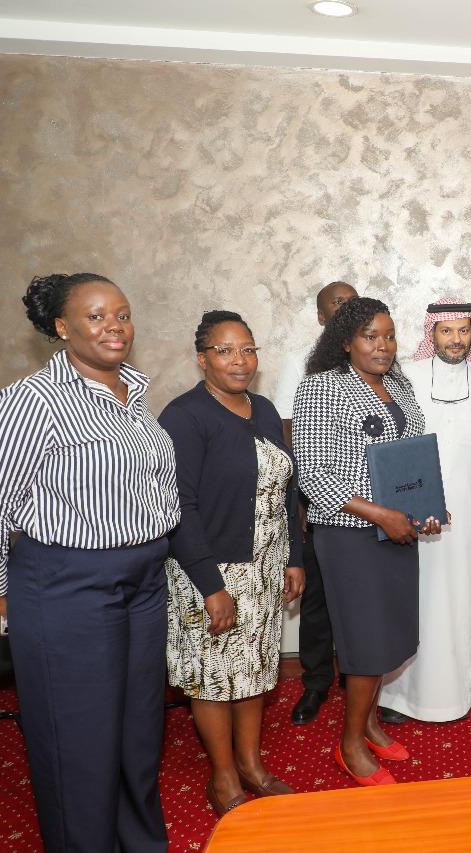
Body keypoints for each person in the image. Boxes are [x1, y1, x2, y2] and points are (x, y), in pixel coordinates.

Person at [0, 273, 179, 852]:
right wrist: (3, 593)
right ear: (61, 327)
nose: (114, 327)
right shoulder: (31, 402)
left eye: (122, 315)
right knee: (79, 744)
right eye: (96, 316)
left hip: (144, 582)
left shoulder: (134, 395)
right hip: (67, 586)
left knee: (137, 735)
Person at [160, 311, 306, 817]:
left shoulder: (263, 408)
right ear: (202, 359)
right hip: (210, 570)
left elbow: (286, 493)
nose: (239, 360)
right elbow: (180, 508)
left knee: (254, 670)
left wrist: (293, 557)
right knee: (214, 675)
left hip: (264, 568)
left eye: (247, 349)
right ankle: (222, 776)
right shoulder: (184, 416)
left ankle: (251, 764)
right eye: (224, 350)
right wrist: (210, 585)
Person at [291, 297, 441, 787]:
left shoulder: (398, 384)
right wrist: (382, 514)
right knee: (366, 640)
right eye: (370, 336)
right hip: (351, 537)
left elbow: (411, 460)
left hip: (397, 532)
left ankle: (370, 726)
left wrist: (424, 511)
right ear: (345, 342)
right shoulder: (321, 387)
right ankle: (349, 744)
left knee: (390, 634)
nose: (383, 346)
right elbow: (313, 476)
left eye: (389, 336)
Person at [379, 299, 471, 723]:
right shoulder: (405, 377)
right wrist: (400, 507)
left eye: (463, 331)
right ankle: (402, 696)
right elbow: (391, 446)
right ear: (432, 333)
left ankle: (457, 692)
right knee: (414, 597)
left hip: (467, 508)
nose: (455, 339)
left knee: (460, 597)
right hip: (412, 510)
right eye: (446, 331)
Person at [272, 281, 358, 727]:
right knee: (319, 598)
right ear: (322, 316)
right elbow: (286, 433)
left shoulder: (375, 357)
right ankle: (317, 681)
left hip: (367, 505)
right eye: (337, 305)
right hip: (316, 500)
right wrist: (299, 499)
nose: (346, 310)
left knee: (361, 598)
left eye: (352, 303)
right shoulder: (300, 361)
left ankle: (361, 677)